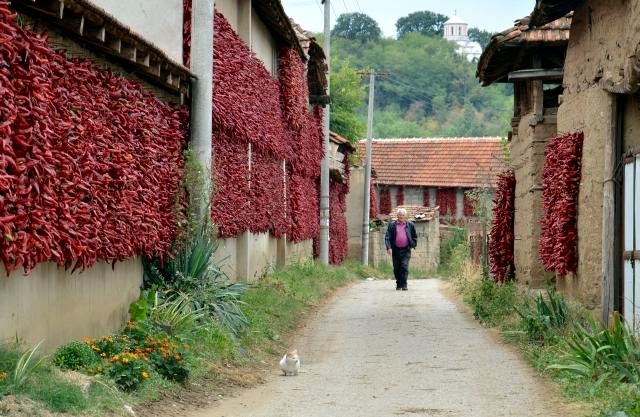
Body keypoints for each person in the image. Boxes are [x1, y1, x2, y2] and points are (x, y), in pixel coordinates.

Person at [385, 208, 418, 291]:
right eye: (400, 215)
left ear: (405, 216)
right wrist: (388, 247)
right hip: (395, 249)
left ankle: (404, 284)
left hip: (406, 249)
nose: (401, 216)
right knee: (396, 268)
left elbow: (414, 236)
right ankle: (398, 283)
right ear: (397, 216)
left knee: (404, 266)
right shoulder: (392, 225)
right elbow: (388, 237)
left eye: (403, 215)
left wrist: (413, 246)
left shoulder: (410, 225)